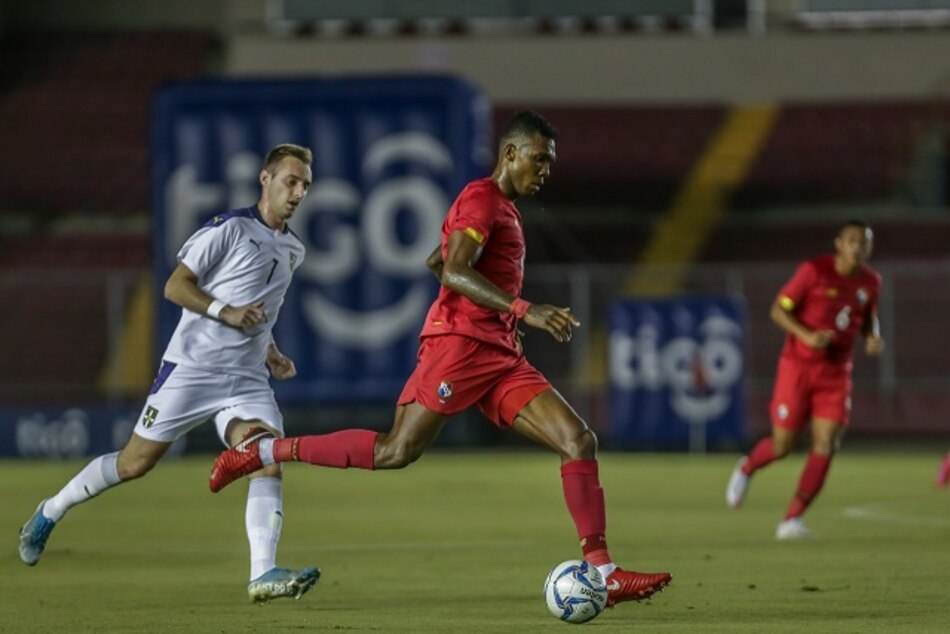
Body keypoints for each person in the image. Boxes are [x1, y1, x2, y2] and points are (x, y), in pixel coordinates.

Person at [209, 111, 672, 607]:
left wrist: (463, 273)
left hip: (499, 353)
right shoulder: (481, 199)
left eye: (550, 164)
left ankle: (603, 572)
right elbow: (453, 270)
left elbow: (440, 261)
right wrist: (524, 308)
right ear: (510, 153)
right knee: (396, 451)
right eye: (539, 160)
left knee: (578, 440)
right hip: (460, 347)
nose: (545, 171)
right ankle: (261, 453)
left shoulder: (500, 209)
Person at [18, 144, 320, 603]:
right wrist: (225, 311)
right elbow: (175, 285)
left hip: (246, 379)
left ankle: (262, 573)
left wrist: (272, 352)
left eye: (305, 186)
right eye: (290, 181)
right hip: (193, 370)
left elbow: (260, 313)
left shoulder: (293, 248)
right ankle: (51, 509)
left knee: (267, 458)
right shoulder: (230, 229)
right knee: (134, 464)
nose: (298, 193)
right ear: (265, 179)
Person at [725, 220, 885, 539]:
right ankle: (748, 466)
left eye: (864, 242)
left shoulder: (871, 282)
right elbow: (778, 310)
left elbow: (868, 319)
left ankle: (792, 520)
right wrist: (807, 336)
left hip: (836, 374)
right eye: (852, 240)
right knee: (783, 445)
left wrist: (873, 337)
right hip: (797, 368)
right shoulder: (814, 271)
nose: (858, 246)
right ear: (839, 242)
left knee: (826, 443)